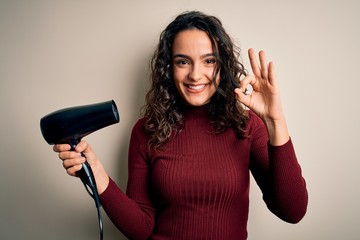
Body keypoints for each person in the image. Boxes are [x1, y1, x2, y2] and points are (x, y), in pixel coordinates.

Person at [54, 11, 308, 240]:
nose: (195, 75)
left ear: (223, 66)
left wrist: (275, 121)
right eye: (183, 62)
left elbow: (292, 211)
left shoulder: (247, 126)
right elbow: (141, 228)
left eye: (209, 61)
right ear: (169, 68)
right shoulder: (146, 131)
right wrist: (98, 175)